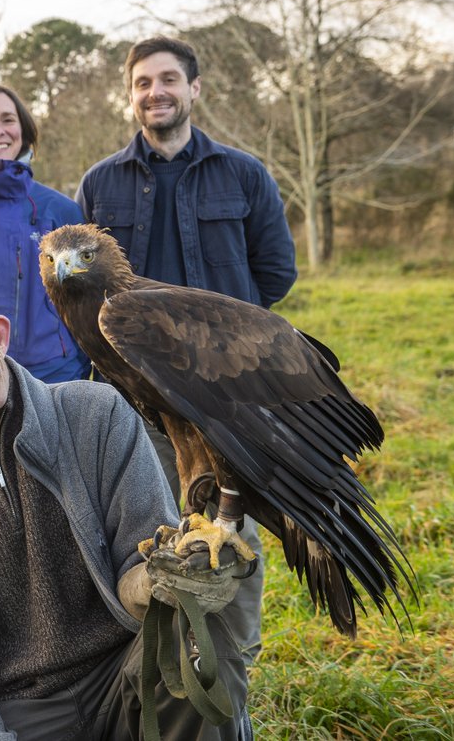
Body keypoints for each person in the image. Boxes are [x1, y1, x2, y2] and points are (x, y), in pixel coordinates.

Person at [0, 281, 252, 740]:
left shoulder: (96, 414)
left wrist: (162, 580)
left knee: (194, 651)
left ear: (0, 334)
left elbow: (143, 553)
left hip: (122, 669)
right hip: (10, 699)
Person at [77, 36, 298, 664]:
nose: (157, 92)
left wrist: (222, 341)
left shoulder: (243, 173)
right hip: (137, 393)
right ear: (130, 96)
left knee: (232, 527)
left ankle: (228, 664)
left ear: (194, 89)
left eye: (168, 79)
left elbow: (275, 275)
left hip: (224, 397)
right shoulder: (100, 182)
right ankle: (161, 666)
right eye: (143, 82)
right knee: (146, 525)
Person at [0, 84, 90, 383]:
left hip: (54, 375)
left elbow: (84, 303)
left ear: (24, 131)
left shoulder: (60, 210)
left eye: (7, 120)